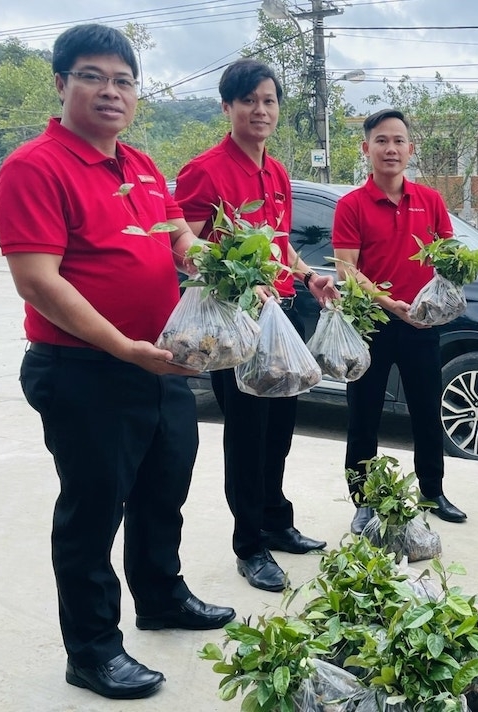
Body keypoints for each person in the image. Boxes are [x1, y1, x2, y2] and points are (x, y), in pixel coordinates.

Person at [0, 24, 234, 700]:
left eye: (123, 80)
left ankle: (161, 597)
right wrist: (124, 347)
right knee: (94, 510)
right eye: (93, 76)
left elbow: (181, 236)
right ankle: (93, 649)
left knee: (164, 490)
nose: (110, 90)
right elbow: (39, 280)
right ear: (62, 83)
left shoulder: (143, 165)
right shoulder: (35, 166)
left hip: (160, 364)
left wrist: (228, 264)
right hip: (84, 370)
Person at [174, 59, 339, 593]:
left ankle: (276, 520)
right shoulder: (206, 170)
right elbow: (186, 249)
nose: (260, 110)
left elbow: (281, 242)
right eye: (249, 101)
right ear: (228, 107)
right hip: (235, 323)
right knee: (247, 436)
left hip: (280, 316)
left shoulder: (277, 171)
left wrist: (309, 276)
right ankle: (250, 545)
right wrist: (239, 281)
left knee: (280, 431)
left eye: (268, 100)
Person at [332, 108, 467, 533]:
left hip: (422, 326)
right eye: (381, 141)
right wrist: (391, 304)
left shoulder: (430, 201)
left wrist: (445, 292)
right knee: (364, 414)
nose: (391, 149)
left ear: (411, 148)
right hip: (371, 326)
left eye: (398, 141)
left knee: (427, 410)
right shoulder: (352, 205)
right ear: (366, 148)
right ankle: (364, 501)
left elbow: (448, 259)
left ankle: (432, 489)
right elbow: (346, 270)